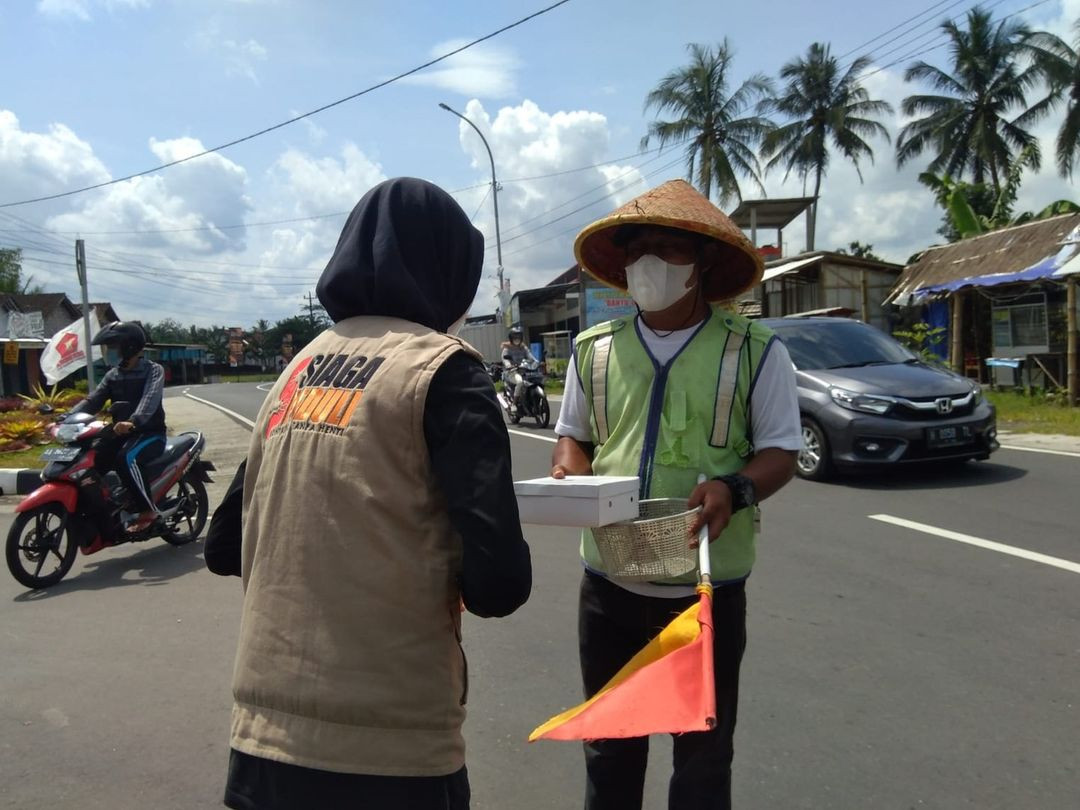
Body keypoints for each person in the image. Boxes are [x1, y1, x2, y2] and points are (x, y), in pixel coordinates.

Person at [224, 177, 532, 810]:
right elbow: (499, 586)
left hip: (263, 742)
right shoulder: (444, 373)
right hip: (391, 751)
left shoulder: (293, 372)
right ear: (447, 270)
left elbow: (224, 546)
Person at [550, 179, 801, 810]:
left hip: (705, 593)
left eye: (669, 249)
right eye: (639, 250)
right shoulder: (594, 350)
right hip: (608, 585)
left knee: (703, 758)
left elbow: (781, 452)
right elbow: (571, 439)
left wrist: (734, 487)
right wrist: (571, 476)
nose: (650, 264)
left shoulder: (755, 351)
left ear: (704, 263)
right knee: (610, 751)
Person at [69, 320, 166, 533]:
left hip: (150, 433)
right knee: (93, 459)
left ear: (129, 347)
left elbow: (149, 399)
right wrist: (67, 417)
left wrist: (134, 421)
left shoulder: (153, 370)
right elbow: (93, 400)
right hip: (119, 432)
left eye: (113, 347)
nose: (109, 352)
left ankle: (147, 510)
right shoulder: (113, 375)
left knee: (126, 458)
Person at [501, 327, 536, 414]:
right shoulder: (507, 348)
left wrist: (537, 362)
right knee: (520, 382)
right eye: (515, 337)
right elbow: (504, 359)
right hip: (512, 372)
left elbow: (531, 357)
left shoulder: (523, 348)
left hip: (523, 370)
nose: (517, 339)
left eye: (518, 337)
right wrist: (509, 365)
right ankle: (514, 404)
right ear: (511, 338)